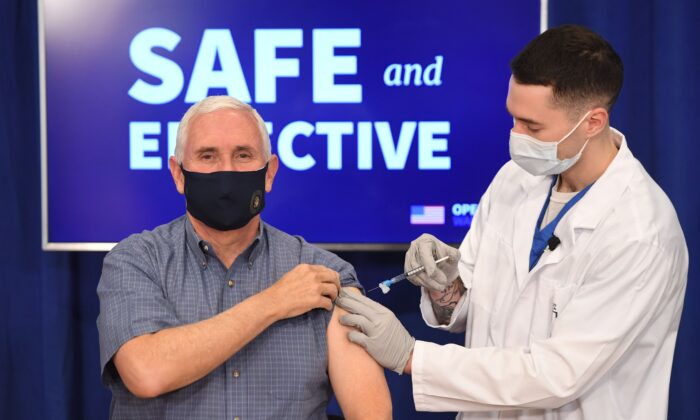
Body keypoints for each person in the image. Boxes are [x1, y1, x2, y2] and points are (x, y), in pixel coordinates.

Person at [336, 24, 688, 419]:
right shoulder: (515, 180)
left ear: (593, 122)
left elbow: (557, 375)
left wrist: (412, 356)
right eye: (514, 118)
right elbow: (480, 311)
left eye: (533, 126)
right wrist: (447, 287)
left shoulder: (641, 233)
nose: (516, 135)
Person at [96, 95, 391, 419]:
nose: (227, 171)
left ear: (269, 173)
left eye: (243, 155)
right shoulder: (136, 261)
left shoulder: (324, 275)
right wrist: (274, 302)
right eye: (208, 156)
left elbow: (371, 414)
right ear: (179, 174)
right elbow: (145, 372)